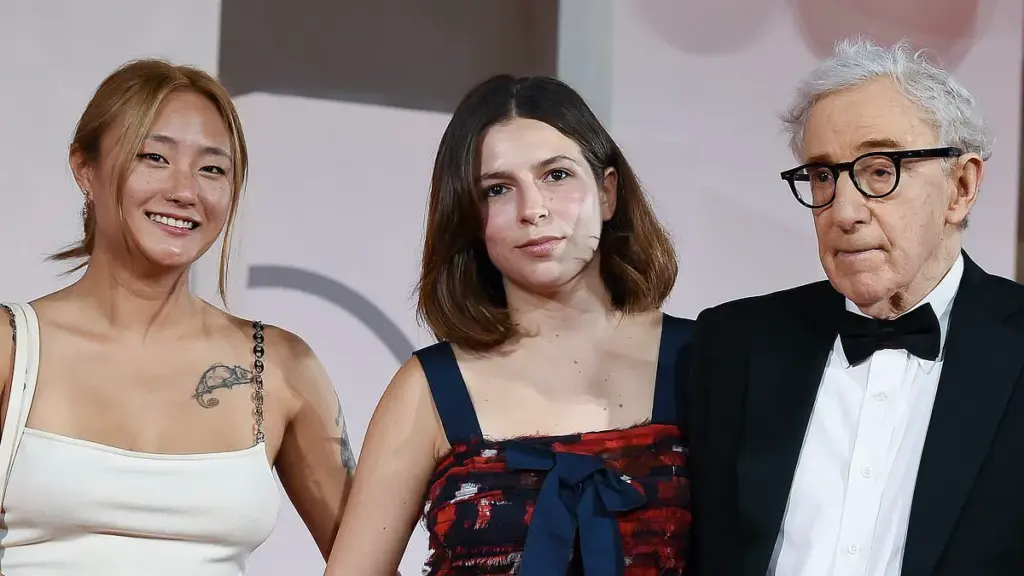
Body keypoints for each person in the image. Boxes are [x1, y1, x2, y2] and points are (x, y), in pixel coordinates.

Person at [324, 75, 694, 575]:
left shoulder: (701, 360)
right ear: (469, 219)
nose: (533, 209)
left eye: (556, 175)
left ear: (607, 193)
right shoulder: (428, 389)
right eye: (497, 189)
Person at [684, 37, 1024, 576]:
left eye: (880, 170)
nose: (844, 212)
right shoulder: (733, 344)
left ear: (961, 186)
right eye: (823, 176)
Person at [0, 59, 355, 574]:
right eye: (154, 157)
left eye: (212, 169)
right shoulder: (13, 348)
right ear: (85, 169)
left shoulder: (279, 368)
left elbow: (367, 559)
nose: (185, 192)